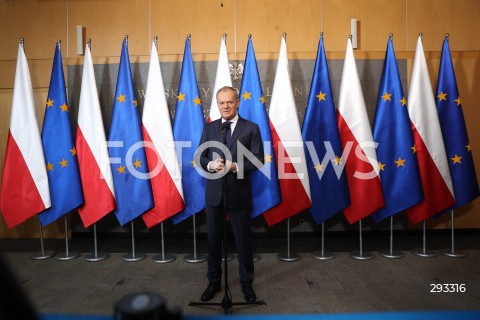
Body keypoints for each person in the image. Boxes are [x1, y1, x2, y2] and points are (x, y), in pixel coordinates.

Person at [197, 86, 264, 303]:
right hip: (215, 194)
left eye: (229, 102)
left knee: (243, 242)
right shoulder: (210, 129)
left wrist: (234, 166)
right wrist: (210, 165)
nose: (225, 106)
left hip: (239, 194)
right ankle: (214, 282)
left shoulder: (251, 128)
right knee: (213, 241)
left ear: (237, 103)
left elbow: (258, 159)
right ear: (217, 105)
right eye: (221, 103)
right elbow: (200, 157)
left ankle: (247, 284)